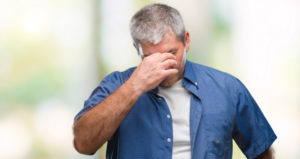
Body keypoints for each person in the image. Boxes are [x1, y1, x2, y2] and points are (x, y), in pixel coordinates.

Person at [73, 3, 276, 159]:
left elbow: (261, 151)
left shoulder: (228, 88)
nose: (164, 66)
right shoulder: (117, 84)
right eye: (151, 58)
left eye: (171, 53)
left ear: (186, 41)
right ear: (137, 49)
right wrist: (136, 86)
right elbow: (83, 143)